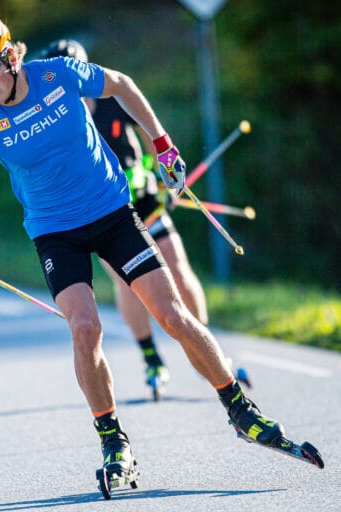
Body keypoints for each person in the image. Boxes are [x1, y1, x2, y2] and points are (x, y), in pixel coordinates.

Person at [0, 12, 288, 489]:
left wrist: (162, 144)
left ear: (12, 57)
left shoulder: (57, 75)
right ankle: (112, 439)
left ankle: (239, 409)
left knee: (174, 316)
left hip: (112, 213)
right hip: (55, 233)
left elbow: (122, 85)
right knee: (85, 328)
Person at [41, 39, 231, 396]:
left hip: (143, 200)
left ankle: (206, 346)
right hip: (104, 212)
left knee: (177, 265)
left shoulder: (109, 99)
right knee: (127, 283)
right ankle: (151, 357)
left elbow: (145, 129)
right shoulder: (54, 121)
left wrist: (163, 174)